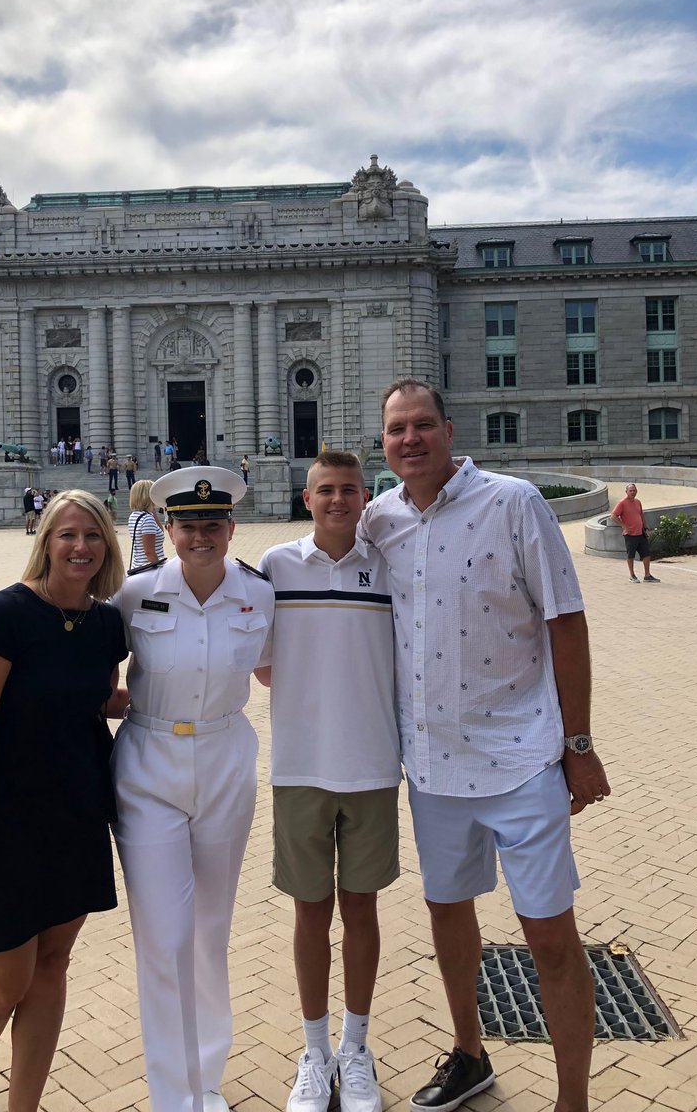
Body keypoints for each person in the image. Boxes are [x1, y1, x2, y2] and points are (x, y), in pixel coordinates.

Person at [360, 379, 610, 1112]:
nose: (410, 439)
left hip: (522, 761)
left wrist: (580, 743)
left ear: (449, 429)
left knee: (551, 939)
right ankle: (470, 1053)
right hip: (433, 768)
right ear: (385, 442)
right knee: (448, 914)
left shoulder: (513, 502)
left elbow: (566, 621)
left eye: (422, 425)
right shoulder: (379, 519)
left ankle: (573, 1101)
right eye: (396, 429)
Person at [0, 490, 128, 1112]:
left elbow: (98, 700)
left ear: (107, 546)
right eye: (67, 535)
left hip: (78, 816)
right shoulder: (7, 615)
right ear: (45, 541)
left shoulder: (105, 623)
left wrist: (193, 691)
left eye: (93, 536)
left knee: (53, 967)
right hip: (9, 825)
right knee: (8, 980)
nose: (81, 547)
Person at [110, 466, 274, 1112]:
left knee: (209, 929)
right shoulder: (134, 595)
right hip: (150, 764)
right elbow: (90, 674)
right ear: (167, 529)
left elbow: (275, 671)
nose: (200, 536)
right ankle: (172, 1096)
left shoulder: (259, 595)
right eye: (188, 526)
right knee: (165, 935)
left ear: (231, 528)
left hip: (226, 757)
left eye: (212, 524)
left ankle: (206, 1075)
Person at [257, 451, 399, 1112]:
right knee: (310, 912)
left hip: (372, 764)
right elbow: (261, 665)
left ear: (364, 497)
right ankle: (314, 1052)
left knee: (362, 910)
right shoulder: (278, 568)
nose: (338, 500)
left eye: (348, 490)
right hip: (301, 766)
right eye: (325, 491)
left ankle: (356, 1048)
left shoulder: (389, 565)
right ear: (306, 498)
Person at [611, 483, 659, 583]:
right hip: (630, 535)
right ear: (626, 492)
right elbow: (613, 516)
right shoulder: (622, 503)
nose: (632, 492)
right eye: (630, 491)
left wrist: (645, 528)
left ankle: (647, 575)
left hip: (640, 533)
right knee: (631, 555)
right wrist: (624, 526)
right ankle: (632, 575)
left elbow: (641, 515)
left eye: (634, 490)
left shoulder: (638, 502)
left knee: (646, 554)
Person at [126, 480, 165, 568]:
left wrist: (153, 511)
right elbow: (149, 552)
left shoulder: (134, 515)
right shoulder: (147, 519)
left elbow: (159, 531)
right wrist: (159, 570)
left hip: (138, 564)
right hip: (149, 568)